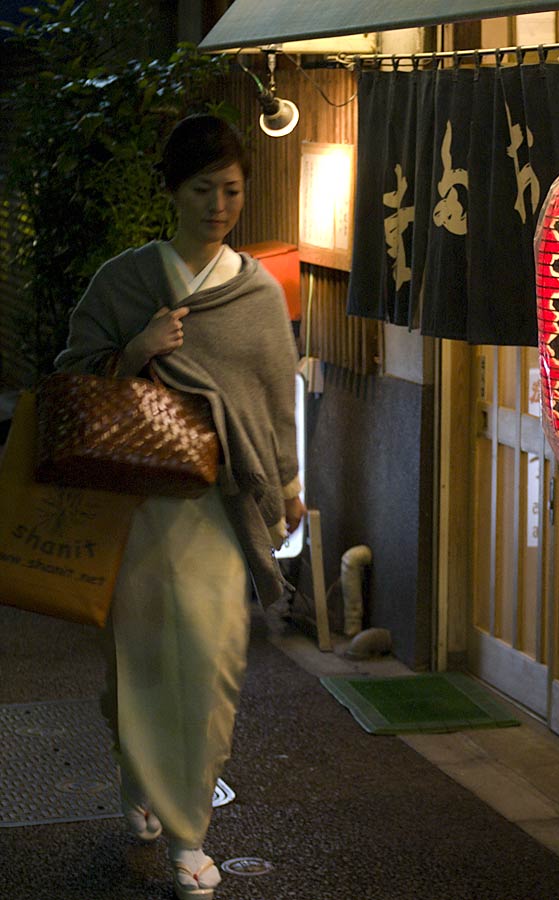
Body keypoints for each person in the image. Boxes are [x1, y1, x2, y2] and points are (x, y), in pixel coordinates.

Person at [55, 114, 305, 900]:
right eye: (204, 189)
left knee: (213, 666)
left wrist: (290, 485)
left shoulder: (255, 291)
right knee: (134, 669)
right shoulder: (124, 282)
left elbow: (274, 395)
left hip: (218, 509)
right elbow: (70, 378)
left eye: (232, 190)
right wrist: (136, 350)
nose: (219, 205)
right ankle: (141, 774)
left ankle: (189, 834)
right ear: (173, 192)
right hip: (134, 508)